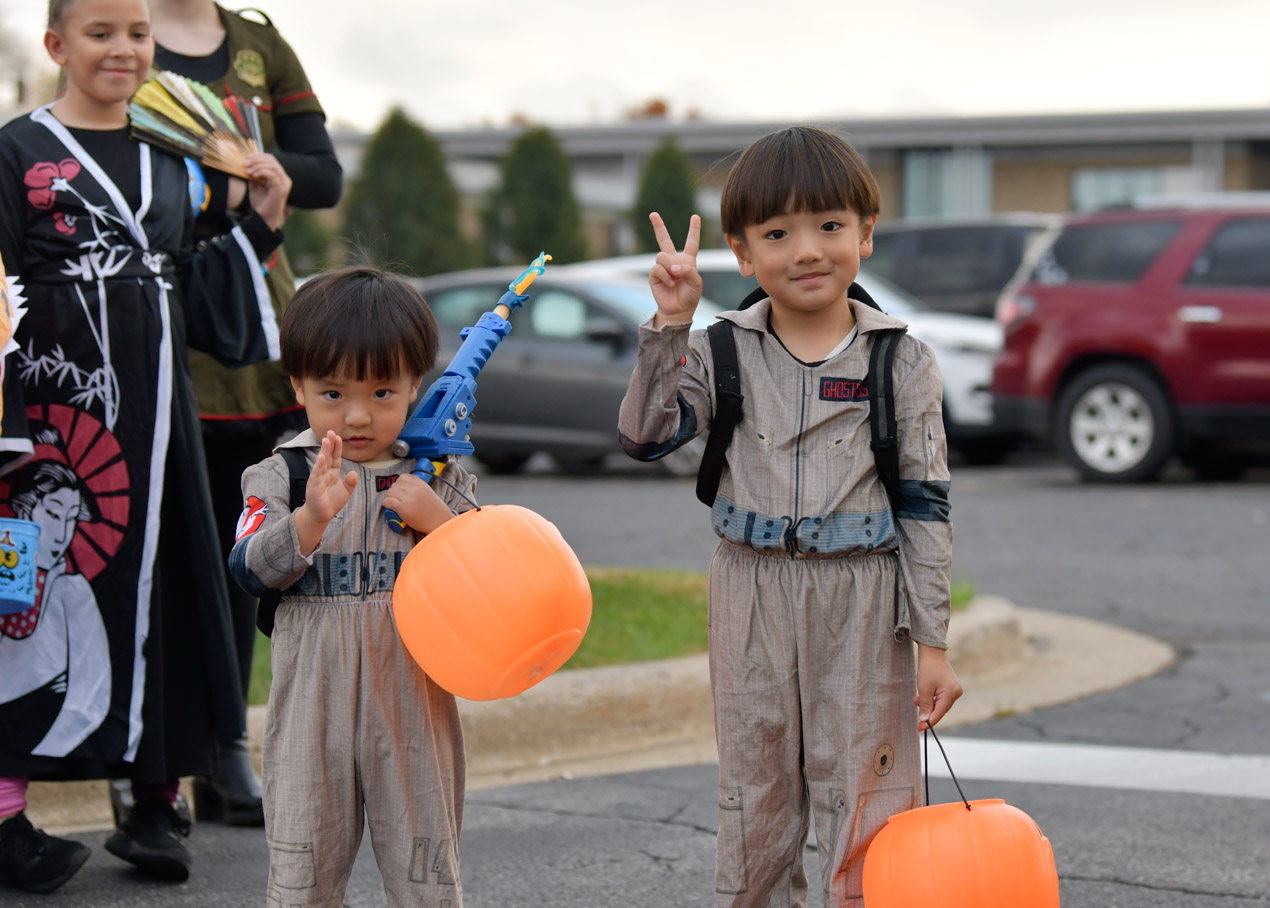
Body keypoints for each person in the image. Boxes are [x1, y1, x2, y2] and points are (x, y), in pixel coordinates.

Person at [618, 125, 964, 907]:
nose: (806, 249)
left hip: (865, 601)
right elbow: (644, 435)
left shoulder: (900, 361)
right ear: (743, 254)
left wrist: (933, 643)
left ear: (866, 235)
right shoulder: (719, 351)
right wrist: (670, 326)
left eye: (830, 226)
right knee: (756, 800)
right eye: (778, 233)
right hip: (751, 592)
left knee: (867, 802)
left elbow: (926, 506)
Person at [0, 0, 291, 892]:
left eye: (135, 33)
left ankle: (157, 804)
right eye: (99, 33)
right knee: (27, 592)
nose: (123, 50)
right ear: (57, 45)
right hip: (52, 422)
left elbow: (202, 280)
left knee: (163, 592)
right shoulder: (15, 152)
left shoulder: (174, 154)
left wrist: (263, 220)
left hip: (161, 422)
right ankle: (6, 816)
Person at [145, 0, 344, 827]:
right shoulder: (116, 35)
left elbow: (324, 177)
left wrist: (248, 167)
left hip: (260, 335)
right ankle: (160, 758)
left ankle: (228, 747)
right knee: (166, 561)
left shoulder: (258, 42)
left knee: (246, 546)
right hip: (171, 325)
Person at [228, 266, 474, 907]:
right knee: (304, 875)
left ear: (417, 384)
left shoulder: (440, 477)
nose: (358, 416)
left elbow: (488, 583)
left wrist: (438, 523)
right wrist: (311, 519)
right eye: (332, 394)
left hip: (414, 703)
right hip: (312, 704)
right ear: (298, 386)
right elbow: (248, 569)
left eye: (384, 393)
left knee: (427, 877)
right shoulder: (279, 474)